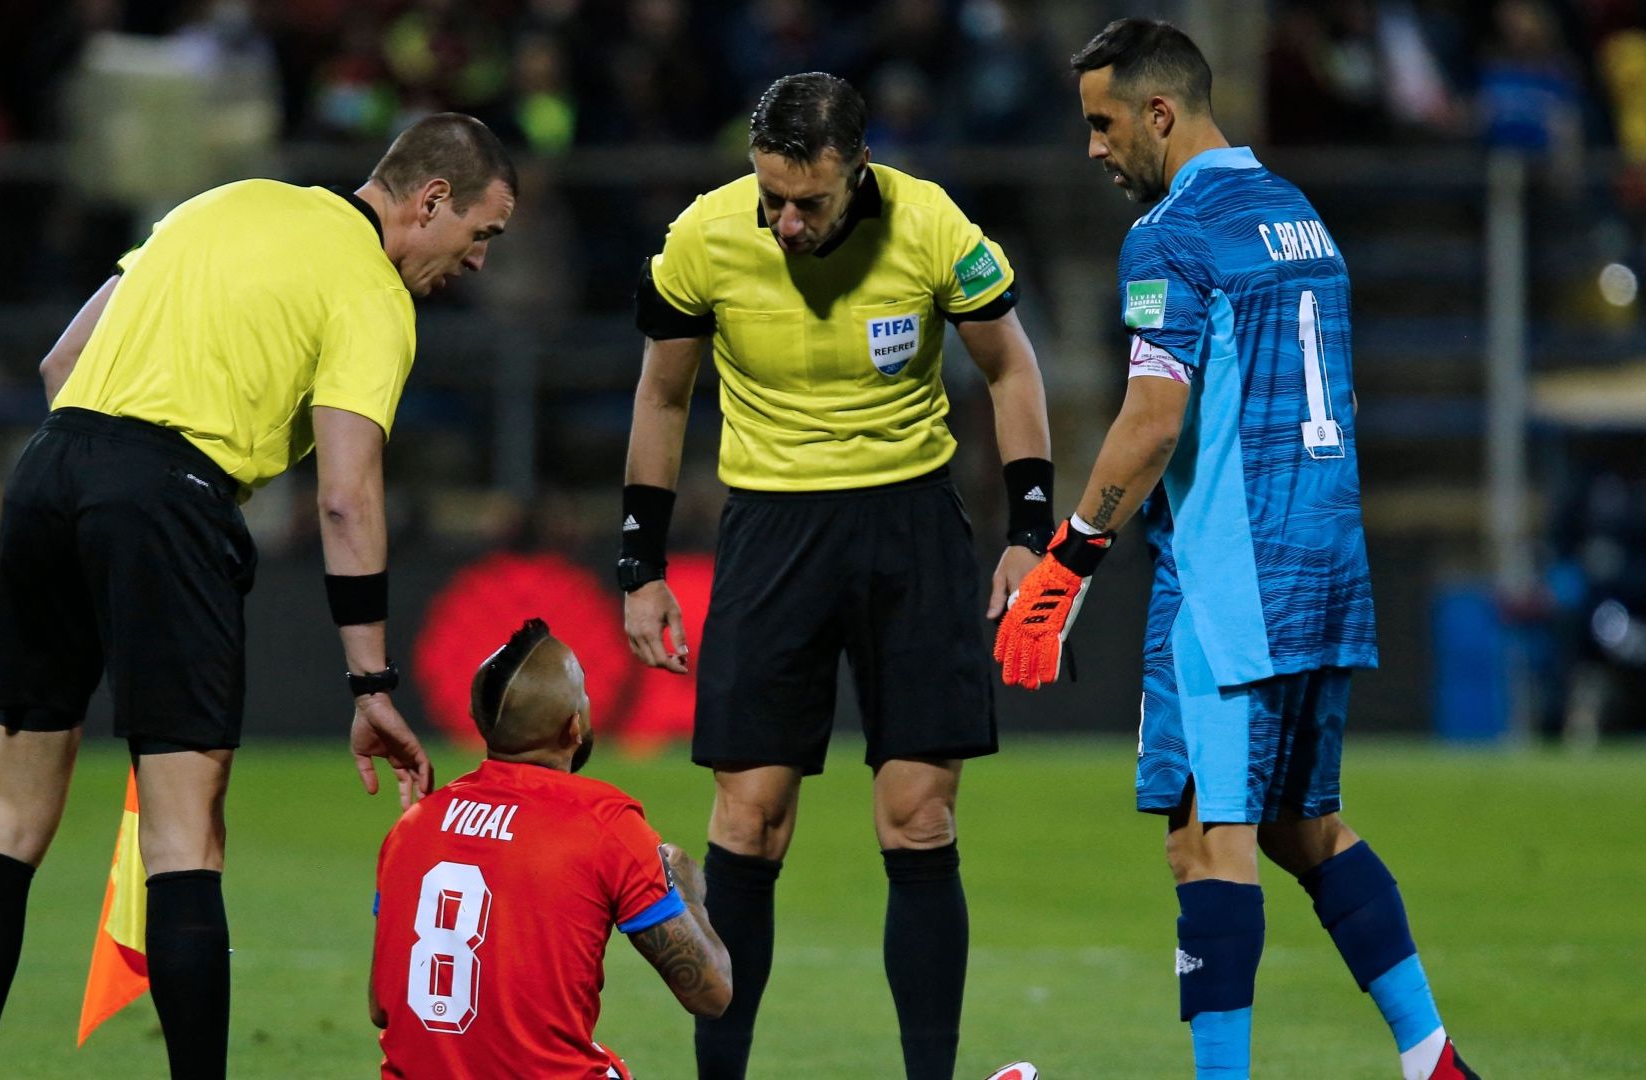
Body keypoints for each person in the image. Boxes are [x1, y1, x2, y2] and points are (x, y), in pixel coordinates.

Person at [0, 113, 517, 1080]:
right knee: (184, 838)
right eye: (482, 232)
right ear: (431, 201)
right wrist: (370, 682)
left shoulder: (226, 203)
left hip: (48, 471)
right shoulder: (372, 291)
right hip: (167, 500)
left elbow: (60, 364)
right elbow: (347, 495)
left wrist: (101, 482)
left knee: (9, 819)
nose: (480, 260)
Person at [993, 19, 1480, 1080]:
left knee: (1207, 841)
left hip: (1233, 579)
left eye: (1104, 123)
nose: (1093, 147)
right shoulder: (1298, 214)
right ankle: (1433, 1059)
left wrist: (1071, 557)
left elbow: (1152, 421)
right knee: (1303, 824)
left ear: (1160, 112)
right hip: (1324, 563)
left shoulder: (1170, 235)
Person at [620, 72, 1053, 1080]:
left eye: (808, 202)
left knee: (920, 819)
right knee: (748, 821)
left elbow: (1012, 367)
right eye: (770, 196)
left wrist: (1030, 531)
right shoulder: (703, 239)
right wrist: (640, 563)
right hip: (772, 532)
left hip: (911, 527)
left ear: (858, 170)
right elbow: (661, 398)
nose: (784, 222)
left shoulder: (931, 224)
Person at [370, 618, 732, 1078]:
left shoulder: (412, 827)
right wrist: (689, 895)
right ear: (574, 726)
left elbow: (381, 1006)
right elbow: (711, 995)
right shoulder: (606, 824)